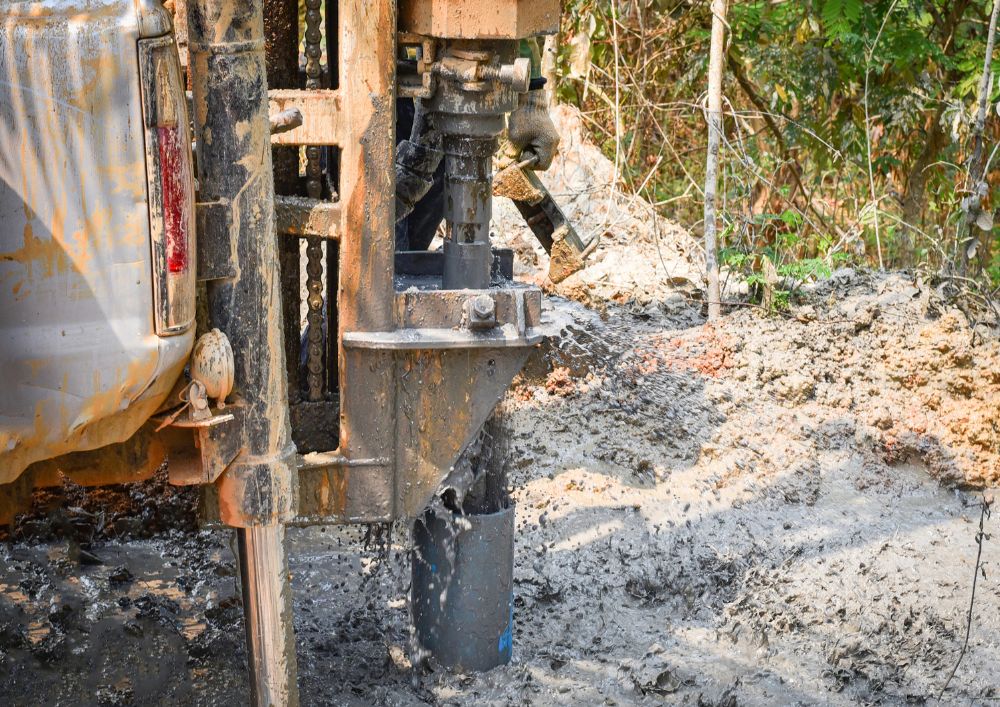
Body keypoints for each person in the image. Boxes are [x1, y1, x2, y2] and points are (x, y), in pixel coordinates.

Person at [394, 39, 561, 251]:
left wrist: (531, 95)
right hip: (385, 76)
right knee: (384, 252)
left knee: (409, 254)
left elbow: (517, 10)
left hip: (441, 87)